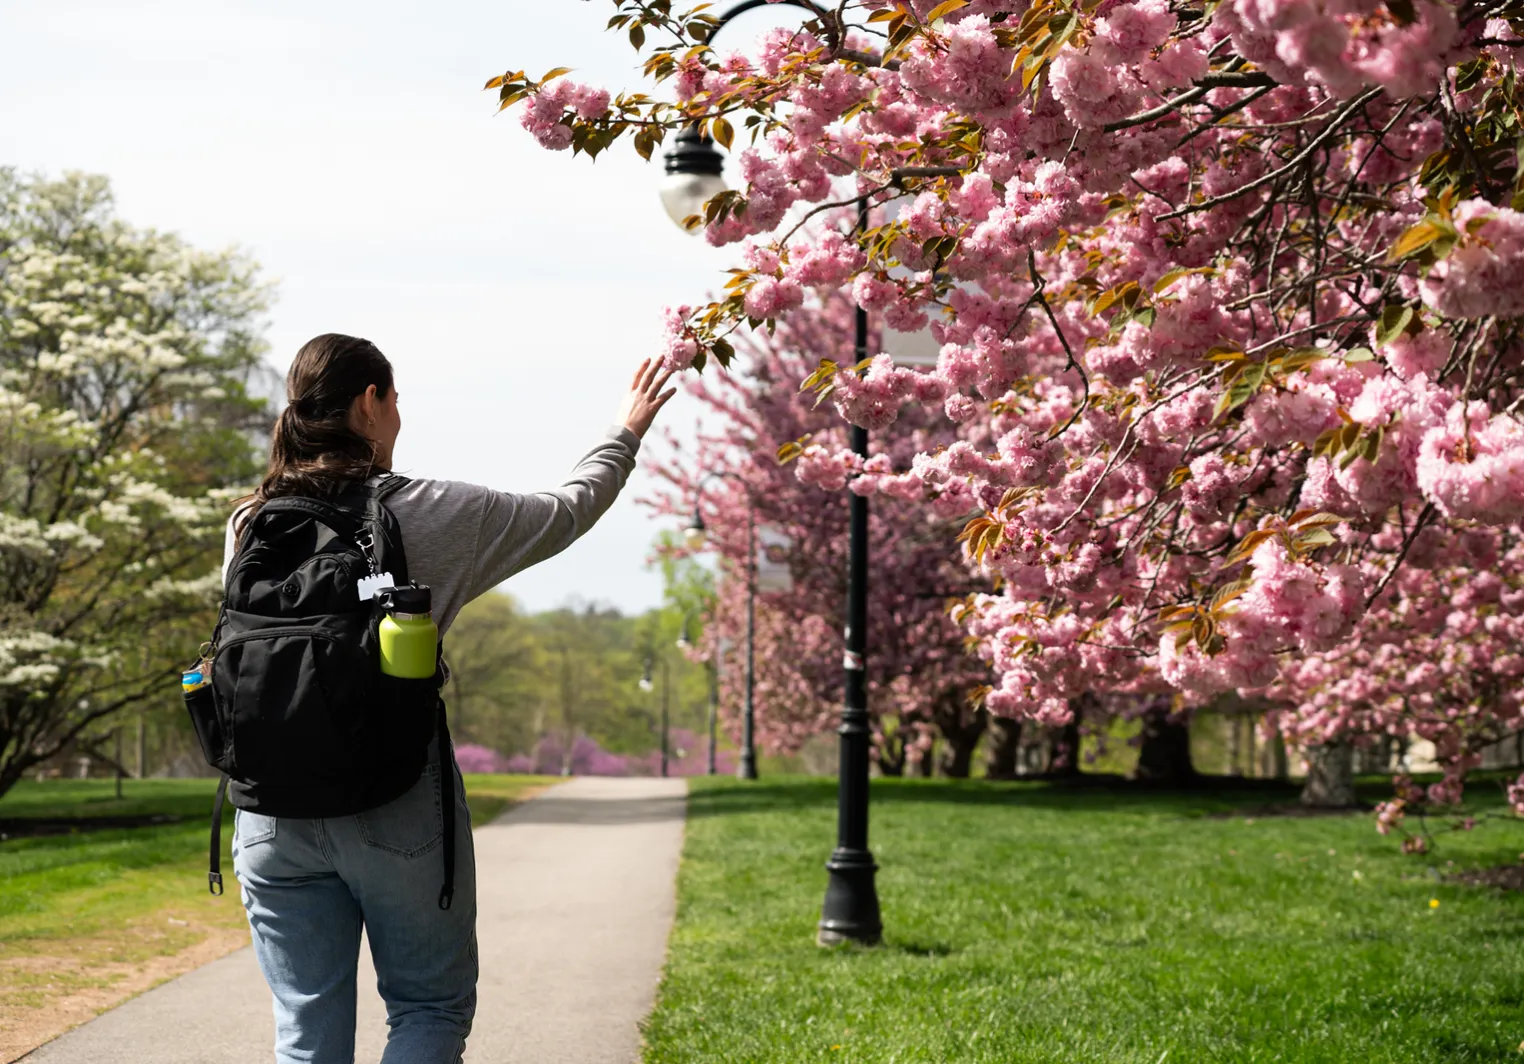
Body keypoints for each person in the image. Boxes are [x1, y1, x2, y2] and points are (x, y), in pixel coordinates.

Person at [225, 333, 674, 1064]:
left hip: (269, 812)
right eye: (395, 400)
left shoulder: (250, 525)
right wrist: (624, 433)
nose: (399, 417)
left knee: (305, 1031)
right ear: (370, 404)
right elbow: (566, 512)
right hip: (393, 797)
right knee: (429, 1009)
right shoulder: (433, 511)